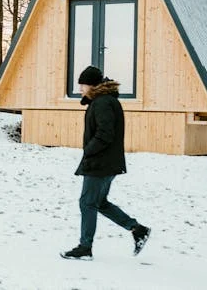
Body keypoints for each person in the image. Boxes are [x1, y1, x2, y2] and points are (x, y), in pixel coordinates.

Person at [61, 66, 150, 261]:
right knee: (99, 203)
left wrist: (89, 150)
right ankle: (137, 229)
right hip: (107, 163)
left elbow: (105, 133)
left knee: (87, 203)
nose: (80, 90)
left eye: (82, 85)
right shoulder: (103, 101)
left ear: (91, 85)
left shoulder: (102, 103)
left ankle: (85, 247)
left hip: (100, 163)